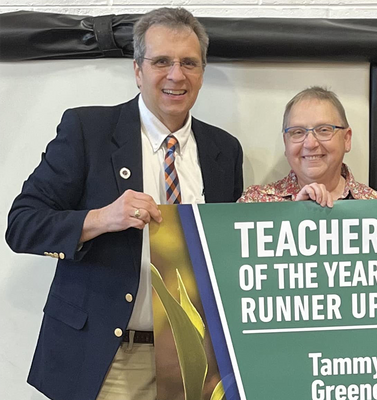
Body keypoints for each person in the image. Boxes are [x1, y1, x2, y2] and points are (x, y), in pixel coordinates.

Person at [5, 7, 243, 400]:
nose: (175, 75)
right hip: (109, 357)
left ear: (202, 72)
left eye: (189, 63)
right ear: (137, 70)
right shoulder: (88, 131)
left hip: (193, 358)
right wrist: (100, 218)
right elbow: (22, 225)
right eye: (161, 61)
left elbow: (230, 246)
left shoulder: (224, 150)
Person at [239, 86, 377, 399]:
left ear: (346, 139)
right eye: (297, 132)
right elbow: (234, 296)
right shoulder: (253, 206)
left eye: (323, 130)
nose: (310, 143)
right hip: (275, 380)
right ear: (285, 142)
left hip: (355, 380)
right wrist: (295, 214)